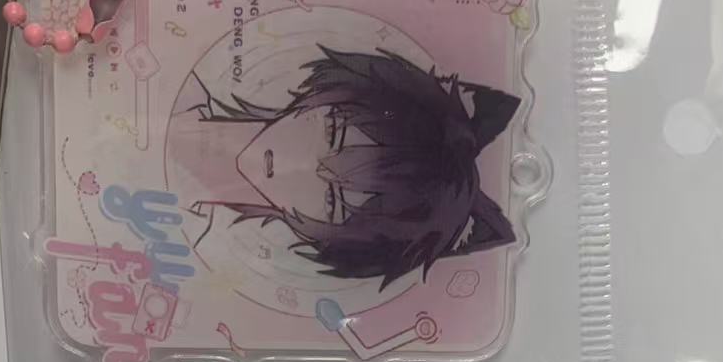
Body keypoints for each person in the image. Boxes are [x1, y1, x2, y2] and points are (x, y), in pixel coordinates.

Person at [175, 46, 521, 289]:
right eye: (333, 132)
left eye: (333, 200)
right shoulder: (178, 76)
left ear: (330, 239)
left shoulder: (192, 255)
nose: (311, 168)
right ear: (331, 93)